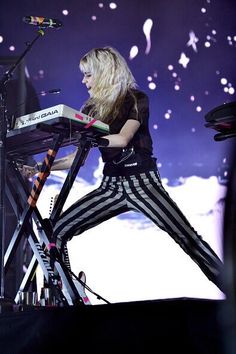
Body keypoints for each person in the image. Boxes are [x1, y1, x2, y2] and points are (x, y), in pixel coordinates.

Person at [23, 46, 224, 293]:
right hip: (111, 187)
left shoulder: (135, 98)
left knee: (188, 239)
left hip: (143, 184)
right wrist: (40, 168)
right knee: (58, 230)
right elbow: (77, 158)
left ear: (105, 72)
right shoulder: (90, 108)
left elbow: (123, 138)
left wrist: (94, 138)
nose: (83, 81)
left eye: (88, 74)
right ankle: (68, 294)